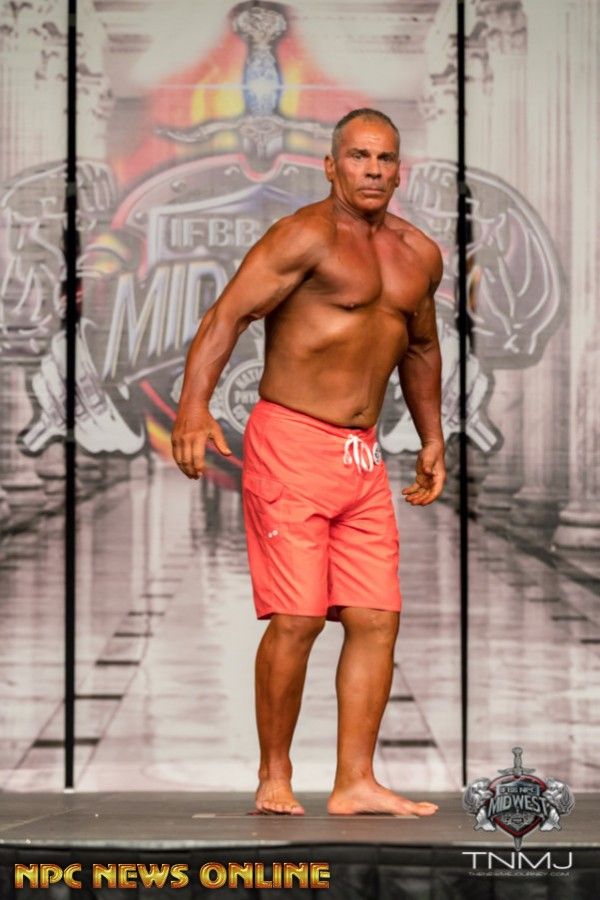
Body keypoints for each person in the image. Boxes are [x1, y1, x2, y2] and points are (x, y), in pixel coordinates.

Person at [172, 108, 445, 817]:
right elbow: (227, 315)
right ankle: (275, 774)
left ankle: (356, 782)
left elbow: (421, 347)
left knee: (376, 618)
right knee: (298, 618)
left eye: (385, 158)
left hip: (362, 455)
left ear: (399, 171)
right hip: (291, 441)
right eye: (358, 156)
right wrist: (194, 407)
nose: (373, 170)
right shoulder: (303, 236)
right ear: (330, 165)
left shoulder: (418, 254)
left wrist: (432, 436)